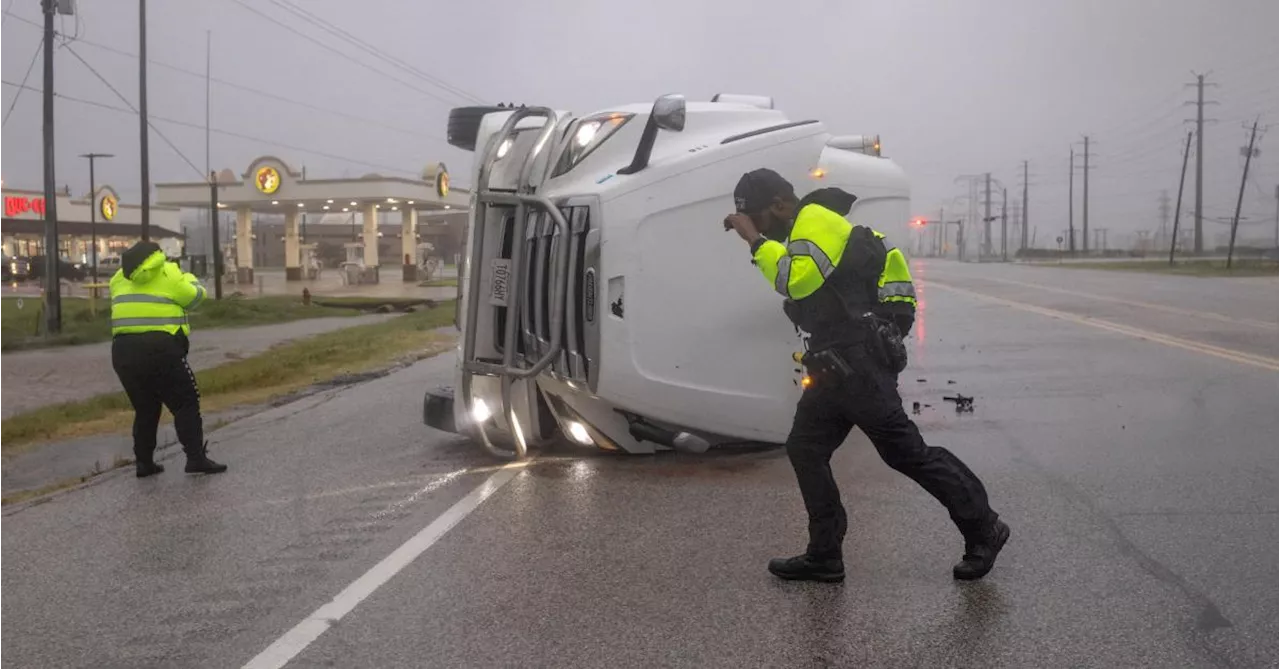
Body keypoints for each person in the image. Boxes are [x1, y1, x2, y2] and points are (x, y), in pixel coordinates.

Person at [722, 168, 1008, 582]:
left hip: (857, 364)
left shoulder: (814, 220)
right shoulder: (814, 227)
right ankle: (824, 555)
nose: (757, 228)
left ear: (781, 205)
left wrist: (754, 240)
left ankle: (985, 527)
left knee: (906, 453)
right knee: (805, 447)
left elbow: (795, 282)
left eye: (759, 218)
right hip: (834, 364)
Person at [109, 240, 228, 477]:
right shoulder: (169, 272)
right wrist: (190, 279)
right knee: (186, 402)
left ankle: (144, 463)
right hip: (161, 350)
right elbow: (195, 298)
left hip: (123, 351)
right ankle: (195, 458)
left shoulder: (119, 278)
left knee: (145, 407)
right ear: (157, 256)